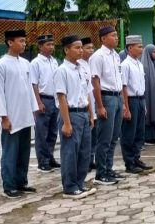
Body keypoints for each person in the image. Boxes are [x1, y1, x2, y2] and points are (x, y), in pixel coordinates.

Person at [0, 29, 38, 199]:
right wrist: (4, 117)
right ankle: (9, 186)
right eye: (21, 41)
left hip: (25, 115)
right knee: (10, 152)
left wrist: (33, 110)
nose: (24, 44)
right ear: (10, 43)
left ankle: (21, 182)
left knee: (24, 152)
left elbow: (29, 89)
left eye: (25, 41)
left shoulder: (26, 63)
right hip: (11, 117)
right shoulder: (1, 65)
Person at [53, 35, 96, 199]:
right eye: (77, 48)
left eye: (81, 47)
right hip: (70, 114)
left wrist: (91, 114)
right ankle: (70, 187)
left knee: (84, 151)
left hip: (83, 113)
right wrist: (66, 123)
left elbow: (86, 94)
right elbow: (62, 97)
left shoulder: (82, 68)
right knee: (71, 151)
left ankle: (80, 183)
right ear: (66, 50)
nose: (80, 51)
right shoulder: (61, 71)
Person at [89, 26, 123, 186]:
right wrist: (100, 106)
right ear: (103, 39)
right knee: (104, 138)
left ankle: (108, 169)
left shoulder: (116, 56)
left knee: (114, 137)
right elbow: (95, 81)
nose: (116, 38)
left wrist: (122, 101)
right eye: (113, 35)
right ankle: (101, 173)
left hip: (116, 97)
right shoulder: (98, 56)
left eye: (116, 35)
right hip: (106, 98)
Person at [120, 35, 152, 174]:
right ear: (130, 48)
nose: (141, 49)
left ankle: (137, 158)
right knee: (129, 133)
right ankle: (129, 162)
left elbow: (141, 85)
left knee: (140, 132)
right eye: (139, 47)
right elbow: (124, 87)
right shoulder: (125, 65)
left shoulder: (139, 64)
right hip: (131, 100)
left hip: (140, 99)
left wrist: (143, 104)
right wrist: (125, 107)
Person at [31, 34, 60, 173]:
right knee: (42, 132)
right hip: (43, 99)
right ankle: (42, 161)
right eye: (48, 45)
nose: (51, 47)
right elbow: (34, 84)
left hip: (55, 99)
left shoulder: (54, 61)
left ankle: (50, 157)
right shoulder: (36, 63)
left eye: (52, 44)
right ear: (40, 46)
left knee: (53, 132)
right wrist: (38, 102)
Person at [78, 37, 97, 171]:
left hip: (93, 104)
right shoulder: (78, 64)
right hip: (83, 105)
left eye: (92, 48)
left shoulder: (91, 63)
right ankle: (84, 162)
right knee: (84, 138)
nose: (91, 50)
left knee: (93, 136)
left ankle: (90, 159)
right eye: (87, 48)